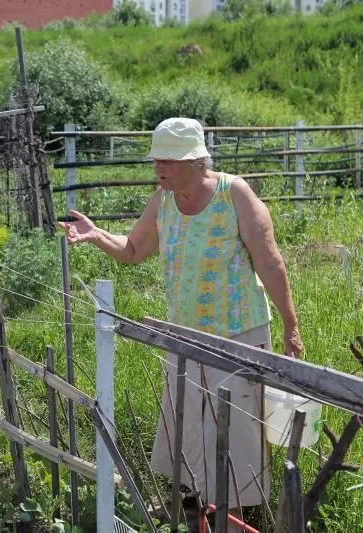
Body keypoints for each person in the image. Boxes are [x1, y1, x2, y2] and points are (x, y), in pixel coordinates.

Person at [59, 117, 303, 528]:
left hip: (237, 337)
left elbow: (270, 261)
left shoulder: (234, 195)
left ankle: (237, 517)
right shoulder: (164, 200)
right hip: (184, 339)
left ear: (195, 160)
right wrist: (96, 234)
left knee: (237, 435)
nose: (160, 170)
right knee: (188, 431)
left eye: (168, 162)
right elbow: (134, 249)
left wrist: (290, 326)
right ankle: (196, 510)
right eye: (157, 160)